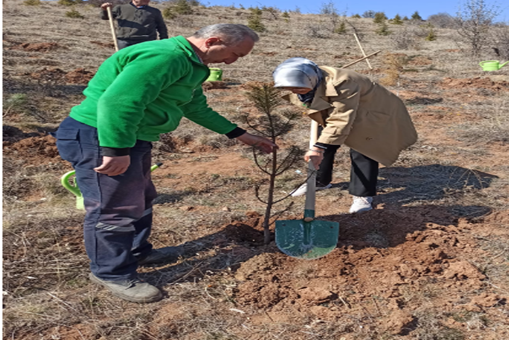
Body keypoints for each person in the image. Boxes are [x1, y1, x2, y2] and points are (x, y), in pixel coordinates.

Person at [54, 24, 276, 303]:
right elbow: (119, 101)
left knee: (140, 197)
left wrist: (241, 135)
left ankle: (138, 251)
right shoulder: (167, 57)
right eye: (234, 54)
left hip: (132, 136)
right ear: (213, 40)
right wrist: (115, 148)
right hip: (102, 134)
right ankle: (111, 272)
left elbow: (195, 107)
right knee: (114, 207)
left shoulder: (192, 64)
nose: (231, 62)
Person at [273, 57, 417, 214]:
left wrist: (319, 147)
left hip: (373, 111)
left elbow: (340, 119)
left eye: (298, 89)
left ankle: (362, 195)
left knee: (364, 149)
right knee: (323, 141)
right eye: (292, 90)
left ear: (312, 80)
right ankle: (320, 181)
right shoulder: (309, 77)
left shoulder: (344, 83)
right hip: (341, 109)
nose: (294, 92)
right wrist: (319, 146)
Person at [100, 0, 168, 49]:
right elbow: (106, 17)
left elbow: (161, 27)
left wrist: (164, 40)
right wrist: (104, 10)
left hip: (146, 41)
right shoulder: (120, 8)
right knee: (124, 60)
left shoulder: (154, 11)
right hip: (124, 41)